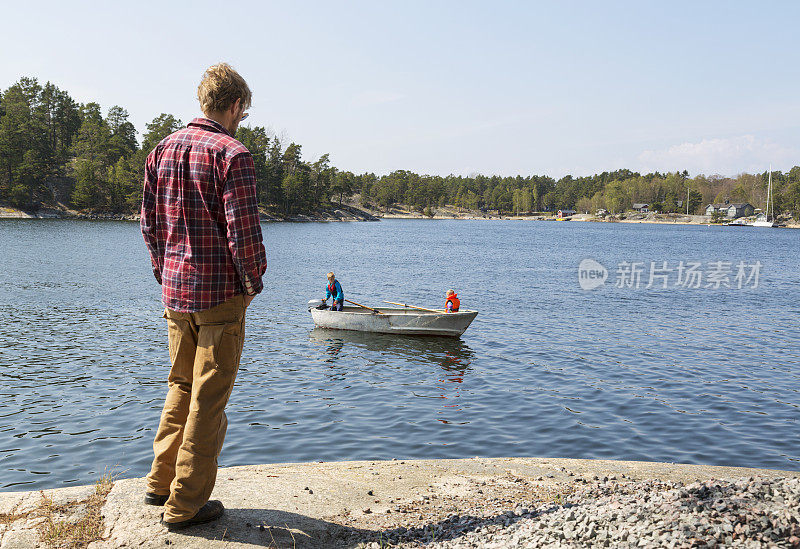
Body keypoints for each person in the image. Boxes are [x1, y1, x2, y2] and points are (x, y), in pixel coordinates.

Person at [140, 63, 266, 531]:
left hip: (176, 293)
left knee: (180, 387)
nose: (242, 118)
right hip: (220, 297)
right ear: (234, 104)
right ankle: (185, 505)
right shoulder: (233, 155)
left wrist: (164, 273)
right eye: (244, 111)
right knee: (209, 401)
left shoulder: (162, 149)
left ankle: (159, 483)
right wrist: (252, 287)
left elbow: (149, 225)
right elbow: (245, 237)